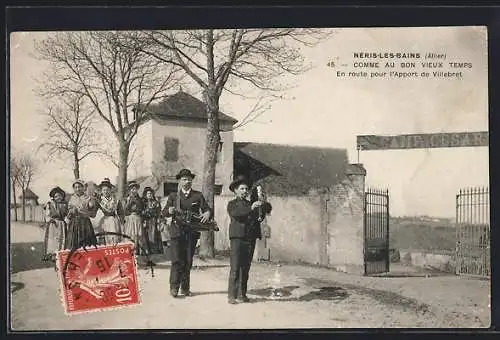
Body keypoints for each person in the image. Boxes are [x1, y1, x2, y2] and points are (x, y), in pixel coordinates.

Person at [161, 168, 211, 298]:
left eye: (189, 179)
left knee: (188, 261)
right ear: (179, 181)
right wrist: (169, 211)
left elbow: (206, 209)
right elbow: (164, 212)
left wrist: (207, 213)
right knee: (177, 260)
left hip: (191, 232)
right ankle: (174, 287)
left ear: (192, 181)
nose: (186, 181)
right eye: (184, 179)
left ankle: (185, 288)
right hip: (176, 232)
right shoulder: (173, 196)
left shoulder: (198, 195)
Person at [226, 175, 272, 304]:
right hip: (237, 238)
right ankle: (232, 295)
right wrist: (251, 208)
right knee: (235, 267)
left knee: (245, 268)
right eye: (241, 188)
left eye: (246, 188)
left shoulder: (251, 203)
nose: (245, 191)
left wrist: (261, 206)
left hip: (250, 238)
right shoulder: (232, 204)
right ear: (235, 190)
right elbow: (237, 214)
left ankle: (242, 294)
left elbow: (260, 217)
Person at [65, 180, 99, 250]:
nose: (77, 189)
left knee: (87, 242)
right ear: (74, 189)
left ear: (83, 188)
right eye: (76, 187)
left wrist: (91, 205)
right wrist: (72, 210)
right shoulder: (71, 198)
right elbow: (69, 209)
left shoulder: (87, 197)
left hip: (85, 222)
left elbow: (91, 208)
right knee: (73, 241)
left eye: (79, 187)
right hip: (74, 223)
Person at [43, 186, 69, 264]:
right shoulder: (50, 204)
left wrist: (66, 220)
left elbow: (67, 215)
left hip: (61, 223)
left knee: (62, 238)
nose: (58, 198)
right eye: (56, 196)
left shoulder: (64, 205)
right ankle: (53, 255)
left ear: (62, 196)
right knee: (53, 239)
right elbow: (47, 215)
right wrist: (50, 220)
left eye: (60, 196)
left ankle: (60, 253)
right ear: (53, 197)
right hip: (53, 224)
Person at [96, 178, 123, 245]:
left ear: (110, 190)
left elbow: (120, 210)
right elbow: (94, 210)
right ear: (101, 191)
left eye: (107, 190)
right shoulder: (100, 200)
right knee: (105, 236)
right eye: (104, 190)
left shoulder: (115, 199)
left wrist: (122, 219)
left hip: (114, 220)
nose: (106, 192)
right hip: (105, 220)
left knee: (114, 235)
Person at [141, 187, 163, 259]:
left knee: (153, 236)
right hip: (146, 221)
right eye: (148, 193)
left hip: (153, 221)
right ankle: (147, 251)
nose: (149, 195)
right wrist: (143, 220)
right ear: (145, 195)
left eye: (150, 193)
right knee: (146, 236)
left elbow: (159, 213)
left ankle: (154, 253)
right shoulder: (143, 203)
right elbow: (141, 212)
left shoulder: (156, 203)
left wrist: (159, 221)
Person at [123, 180, 143, 254]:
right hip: (130, 218)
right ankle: (130, 252)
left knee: (138, 236)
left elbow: (141, 208)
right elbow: (125, 211)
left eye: (135, 189)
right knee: (131, 234)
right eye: (132, 189)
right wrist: (129, 203)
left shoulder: (139, 199)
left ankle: (137, 252)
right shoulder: (127, 199)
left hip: (138, 218)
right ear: (129, 190)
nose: (134, 191)